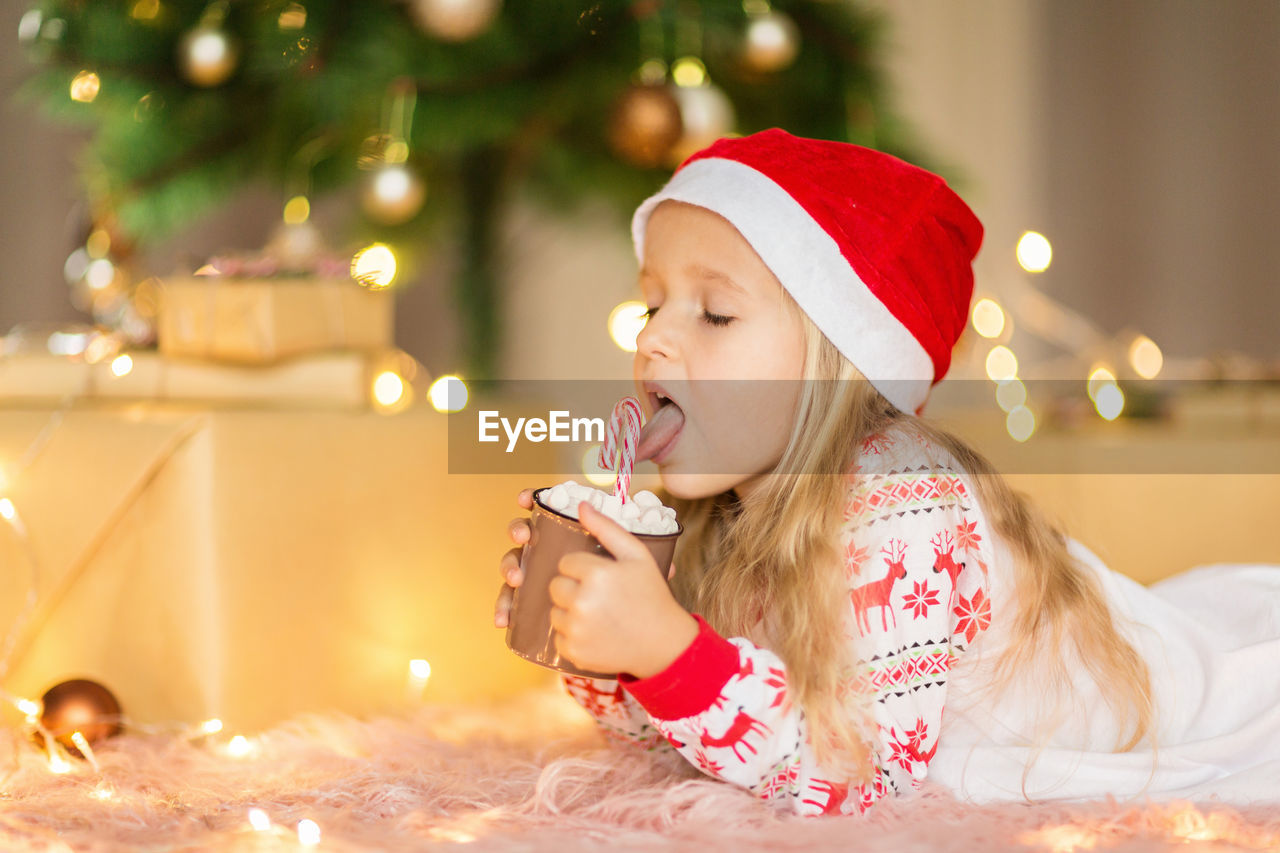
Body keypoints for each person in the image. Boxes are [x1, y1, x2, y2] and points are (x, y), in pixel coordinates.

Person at [492, 129, 1280, 816]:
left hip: (1203, 696)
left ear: (839, 363)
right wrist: (608, 649)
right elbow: (699, 740)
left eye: (715, 313)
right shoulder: (723, 510)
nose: (654, 340)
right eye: (652, 308)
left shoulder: (902, 493)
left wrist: (673, 652)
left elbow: (857, 774)